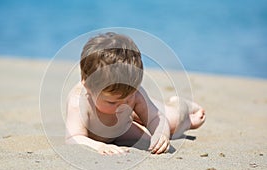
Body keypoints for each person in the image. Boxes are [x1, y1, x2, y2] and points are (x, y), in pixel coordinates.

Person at [65, 32, 205, 155]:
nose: (122, 107)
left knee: (172, 122)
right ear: (87, 86)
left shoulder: (133, 92)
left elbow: (156, 117)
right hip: (117, 130)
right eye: (112, 102)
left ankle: (181, 106)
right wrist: (99, 146)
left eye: (127, 99)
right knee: (149, 135)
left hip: (122, 125)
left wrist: (160, 133)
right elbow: (74, 137)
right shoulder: (78, 102)